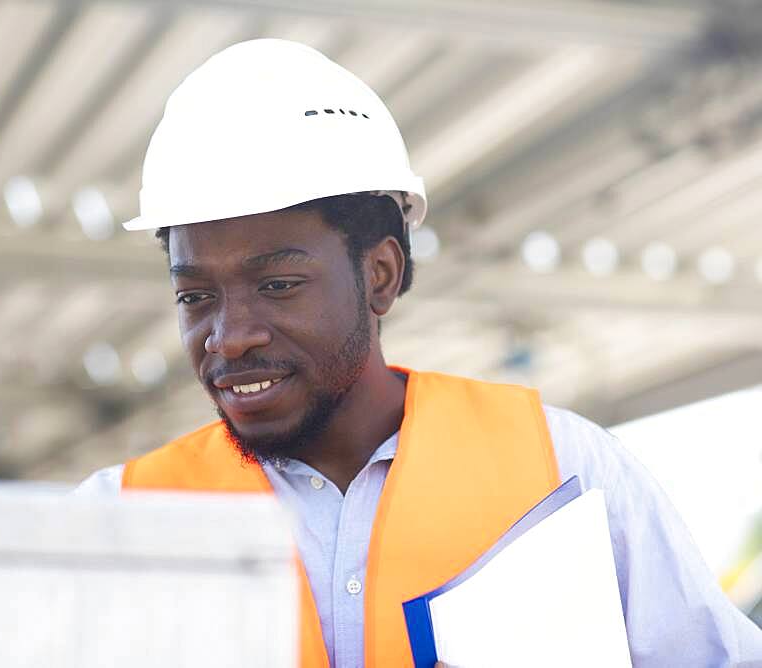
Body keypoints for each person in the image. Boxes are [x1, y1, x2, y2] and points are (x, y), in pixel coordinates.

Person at [76, 39, 762, 667]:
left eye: (277, 285)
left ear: (379, 274)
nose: (229, 336)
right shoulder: (116, 521)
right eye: (195, 297)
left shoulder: (569, 477)